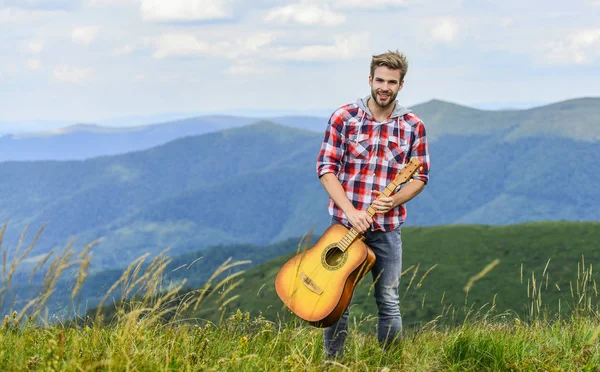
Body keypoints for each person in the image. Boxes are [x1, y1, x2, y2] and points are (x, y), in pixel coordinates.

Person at [315, 50, 430, 359]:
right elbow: (326, 169)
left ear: (401, 85)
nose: (384, 87)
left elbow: (421, 177)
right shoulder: (344, 118)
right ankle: (332, 363)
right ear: (370, 79)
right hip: (343, 227)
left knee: (388, 299)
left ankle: (390, 363)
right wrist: (351, 213)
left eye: (392, 82)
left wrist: (396, 199)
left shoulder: (412, 125)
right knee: (337, 300)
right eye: (379, 80)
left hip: (387, 229)